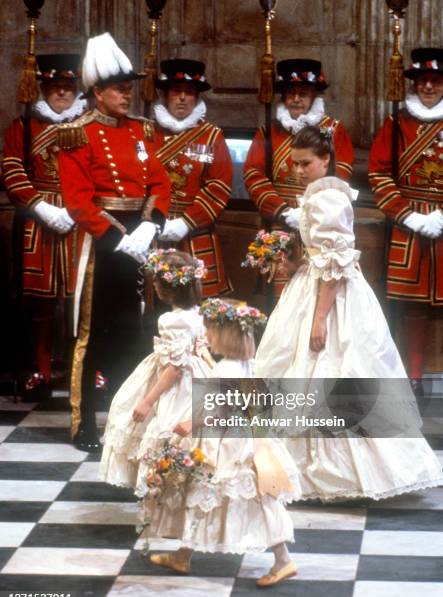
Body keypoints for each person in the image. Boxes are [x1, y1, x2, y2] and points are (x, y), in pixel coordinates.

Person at [255, 125, 443, 501]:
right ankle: (293, 469)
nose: (298, 170)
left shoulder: (330, 201)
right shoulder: (314, 197)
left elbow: (336, 264)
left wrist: (320, 318)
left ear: (326, 160)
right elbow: (316, 256)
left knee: (334, 368)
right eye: (294, 164)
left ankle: (345, 474)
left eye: (306, 163)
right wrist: (289, 260)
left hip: (332, 297)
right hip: (311, 285)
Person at [57, 33, 171, 451]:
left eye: (129, 88)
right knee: (92, 335)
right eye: (119, 89)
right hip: (100, 244)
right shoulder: (77, 134)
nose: (128, 95)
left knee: (134, 331)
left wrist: (151, 224)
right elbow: (78, 201)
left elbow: (160, 182)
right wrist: (114, 239)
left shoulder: (141, 132)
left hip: (140, 238)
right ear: (97, 93)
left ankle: (127, 421)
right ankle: (83, 423)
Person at [139, 297, 299, 588]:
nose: (206, 336)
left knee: (224, 494)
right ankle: (183, 555)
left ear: (223, 335)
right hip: (247, 438)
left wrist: (190, 423)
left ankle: (283, 559)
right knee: (209, 496)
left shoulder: (226, 370)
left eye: (210, 331)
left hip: (225, 443)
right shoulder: (247, 364)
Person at [2, 54, 86, 400]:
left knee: (83, 299)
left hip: (81, 218)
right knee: (41, 302)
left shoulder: (89, 124)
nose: (62, 94)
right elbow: (11, 168)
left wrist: (78, 206)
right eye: (55, 88)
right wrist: (39, 206)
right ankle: (41, 369)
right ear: (44, 89)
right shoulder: (22, 128)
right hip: (40, 222)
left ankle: (84, 370)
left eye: (68, 88)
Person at [100, 249, 211, 488]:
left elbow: (175, 367)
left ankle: (164, 486)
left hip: (177, 383)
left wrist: (148, 401)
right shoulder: (197, 314)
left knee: (165, 427)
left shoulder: (171, 320)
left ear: (166, 288)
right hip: (198, 375)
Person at [244, 58, 354, 296]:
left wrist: (310, 211)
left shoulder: (335, 131)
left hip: (321, 224)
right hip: (278, 223)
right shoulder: (268, 131)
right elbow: (253, 175)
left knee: (317, 292)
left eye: (303, 93)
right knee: (277, 297)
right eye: (290, 93)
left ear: (314, 95)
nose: (296, 99)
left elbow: (341, 174)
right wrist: (282, 210)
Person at [369, 48, 443, 394]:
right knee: (410, 305)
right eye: (423, 81)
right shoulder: (395, 124)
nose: (428, 87)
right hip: (407, 227)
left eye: (436, 81)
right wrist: (408, 214)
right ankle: (411, 378)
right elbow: (379, 174)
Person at [152, 58, 233, 296]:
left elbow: (219, 186)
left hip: (195, 233)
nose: (183, 98)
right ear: (166, 95)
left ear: (197, 97)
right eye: (177, 91)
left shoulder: (212, 136)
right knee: (153, 304)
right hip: (154, 230)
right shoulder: (147, 133)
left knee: (198, 306)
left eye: (189, 92)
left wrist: (186, 222)